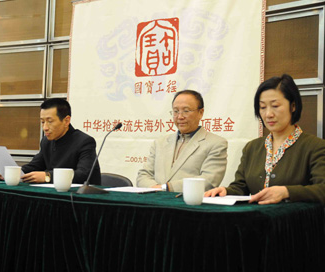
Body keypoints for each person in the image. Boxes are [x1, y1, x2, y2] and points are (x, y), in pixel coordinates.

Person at [205, 74, 325, 204]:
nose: (268, 114)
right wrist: (225, 191)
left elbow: (322, 189)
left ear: (293, 106)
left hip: (294, 223)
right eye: (262, 107)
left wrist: (287, 192)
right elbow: (240, 187)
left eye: (275, 106)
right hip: (255, 221)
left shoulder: (315, 146)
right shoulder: (252, 147)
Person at [137, 90, 228, 192]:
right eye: (176, 111)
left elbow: (208, 181)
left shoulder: (216, 143)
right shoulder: (160, 143)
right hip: (154, 202)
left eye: (186, 111)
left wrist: (166, 188)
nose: (180, 117)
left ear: (200, 112)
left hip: (188, 205)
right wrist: (155, 189)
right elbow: (143, 175)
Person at [0, 98, 101, 184]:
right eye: (42, 122)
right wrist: (10, 172)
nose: (45, 127)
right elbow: (35, 166)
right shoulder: (46, 141)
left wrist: (47, 176)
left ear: (66, 120)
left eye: (50, 121)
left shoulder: (85, 141)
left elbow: (83, 174)